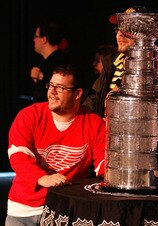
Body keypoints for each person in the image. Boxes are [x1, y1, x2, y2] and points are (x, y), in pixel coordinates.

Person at [5, 64, 106, 226]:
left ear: (77, 93)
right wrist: (42, 177)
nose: (51, 92)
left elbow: (103, 163)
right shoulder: (29, 116)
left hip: (65, 209)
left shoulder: (93, 123)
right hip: (24, 208)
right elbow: (18, 155)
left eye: (60, 88)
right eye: (50, 86)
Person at [108, 5, 158, 90]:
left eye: (130, 28)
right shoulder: (112, 62)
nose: (120, 34)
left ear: (145, 30)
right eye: (119, 28)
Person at [30, 20, 71, 103]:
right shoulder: (46, 63)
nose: (33, 40)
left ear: (44, 39)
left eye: (35, 36)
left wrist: (41, 76)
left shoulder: (61, 63)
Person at [82, 44, 118, 118]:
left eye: (97, 61)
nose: (94, 64)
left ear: (107, 62)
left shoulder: (112, 80)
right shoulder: (97, 81)